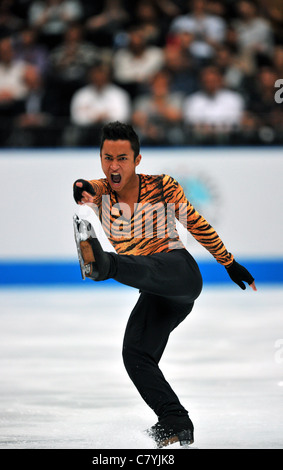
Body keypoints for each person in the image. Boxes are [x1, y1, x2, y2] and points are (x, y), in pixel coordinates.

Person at [72, 121, 256, 448]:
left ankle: (103, 266)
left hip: (179, 273)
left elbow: (195, 224)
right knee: (135, 353)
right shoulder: (100, 193)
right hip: (155, 291)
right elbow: (88, 187)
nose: (114, 166)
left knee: (142, 264)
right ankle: (174, 421)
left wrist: (228, 261)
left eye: (122, 158)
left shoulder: (162, 185)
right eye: (107, 157)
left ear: (137, 160)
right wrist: (80, 186)